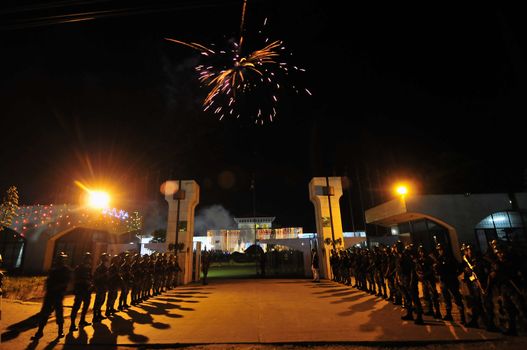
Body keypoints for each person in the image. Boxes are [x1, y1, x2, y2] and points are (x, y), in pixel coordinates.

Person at [31, 252, 71, 340]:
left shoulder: (65, 270)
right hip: (50, 294)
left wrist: (57, 288)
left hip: (58, 294)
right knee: (44, 313)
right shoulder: (53, 269)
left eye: (61, 259)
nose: (59, 261)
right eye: (59, 259)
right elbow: (49, 280)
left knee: (59, 313)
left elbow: (66, 282)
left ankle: (60, 331)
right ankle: (39, 332)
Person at [70, 252, 93, 332]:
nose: (89, 260)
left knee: (85, 306)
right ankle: (72, 324)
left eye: (90, 258)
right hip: (80, 289)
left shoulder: (89, 267)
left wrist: (90, 283)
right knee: (76, 307)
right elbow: (75, 279)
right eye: (88, 258)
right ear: (85, 259)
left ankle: (82, 321)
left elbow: (90, 277)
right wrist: (84, 281)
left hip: (87, 290)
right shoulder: (79, 268)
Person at [92, 253, 109, 323]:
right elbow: (96, 277)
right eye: (105, 259)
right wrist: (104, 274)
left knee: (102, 300)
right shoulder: (99, 268)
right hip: (100, 286)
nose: (106, 260)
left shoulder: (105, 267)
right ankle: (95, 316)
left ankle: (98, 314)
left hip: (103, 286)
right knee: (98, 301)